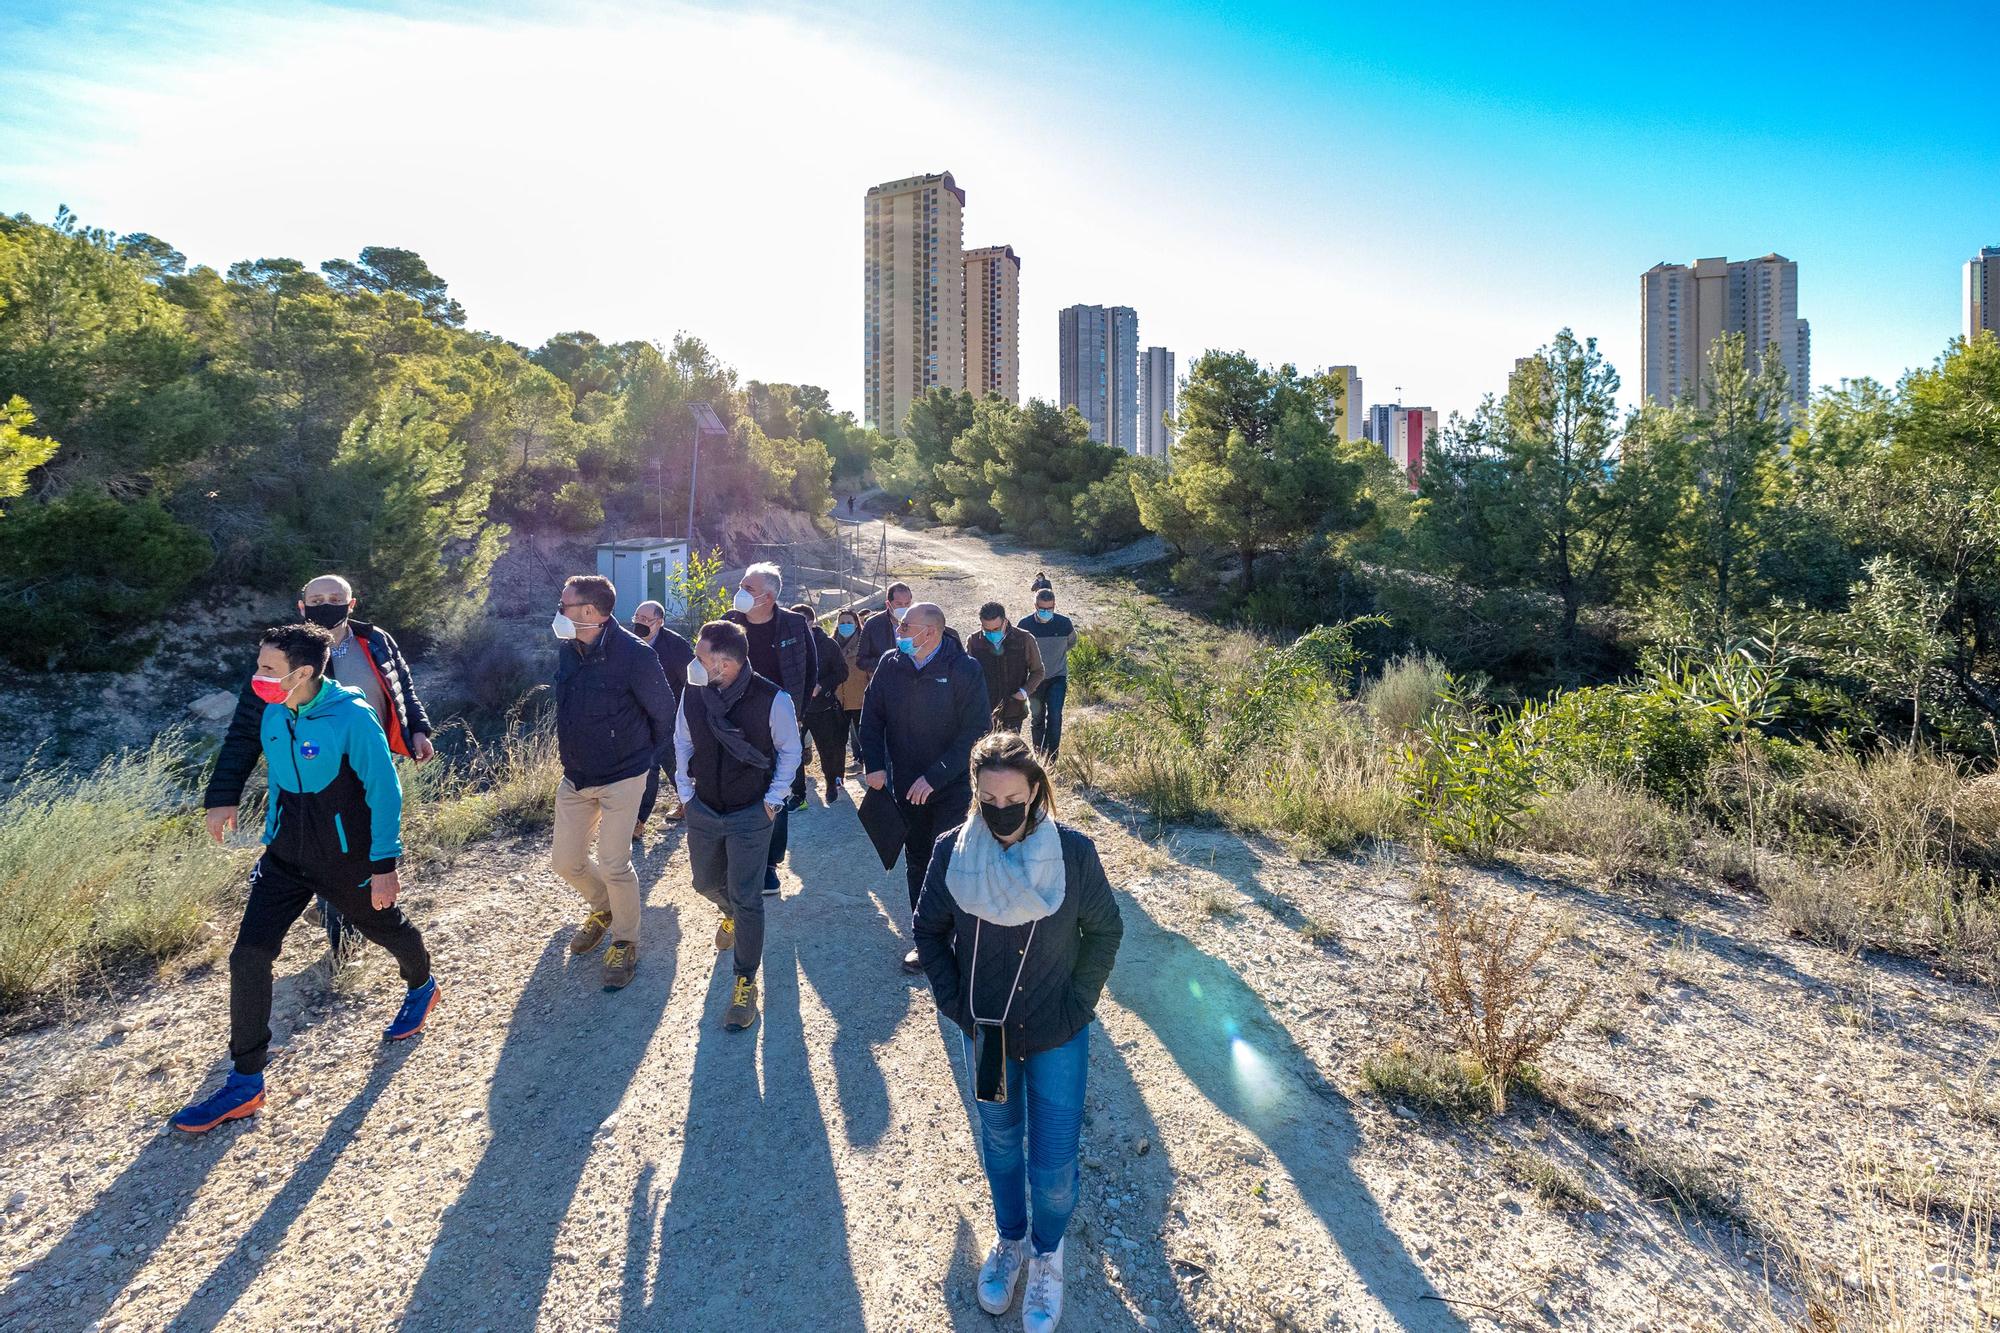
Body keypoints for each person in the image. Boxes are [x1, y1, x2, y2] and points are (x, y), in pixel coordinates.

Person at [173, 623, 439, 1132]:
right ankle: (246, 1081)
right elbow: (252, 759)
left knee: (383, 927)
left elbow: (386, 793)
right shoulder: (274, 709)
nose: (257, 677)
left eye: (268, 669)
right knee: (249, 955)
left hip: (346, 857)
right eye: (258, 665)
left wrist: (384, 867)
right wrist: (228, 803)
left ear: (304, 673)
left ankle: (422, 984)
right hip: (284, 856)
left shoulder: (351, 717)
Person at [914, 731, 1123, 1329]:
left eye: (1014, 798)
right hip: (988, 1036)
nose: (1001, 812)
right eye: (988, 799)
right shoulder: (953, 851)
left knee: (1054, 1164)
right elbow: (928, 931)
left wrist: (1077, 1006)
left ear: (1035, 792)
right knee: (1001, 1142)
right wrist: (957, 1005)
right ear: (976, 795)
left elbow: (1106, 932)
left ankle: (1048, 1253)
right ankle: (1009, 1241)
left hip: (1058, 1034)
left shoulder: (1074, 855)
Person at [203, 574, 436, 967]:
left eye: (334, 598)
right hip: (311, 776)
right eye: (316, 598)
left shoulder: (375, 640)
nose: (324, 604)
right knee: (331, 854)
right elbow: (244, 729)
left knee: (360, 855)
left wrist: (418, 729)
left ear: (351, 604)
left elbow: (403, 686)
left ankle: (349, 918)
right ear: (301, 606)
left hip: (371, 764)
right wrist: (224, 794)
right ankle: (342, 939)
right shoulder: (284, 656)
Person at [551, 574, 677, 990]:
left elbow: (663, 712)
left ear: (588, 612)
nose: (559, 612)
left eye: (564, 605)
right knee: (565, 862)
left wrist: (643, 764)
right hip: (576, 776)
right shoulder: (569, 651)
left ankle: (625, 941)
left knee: (613, 861)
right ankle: (604, 907)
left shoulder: (635, 655)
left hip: (624, 774)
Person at [674, 620, 801, 1031]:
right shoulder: (693, 691)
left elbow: (790, 751)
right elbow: (682, 740)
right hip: (704, 809)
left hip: (751, 813)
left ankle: (745, 981)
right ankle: (730, 914)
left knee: (748, 898)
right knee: (704, 883)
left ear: (724, 665)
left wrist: (772, 801)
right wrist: (685, 793)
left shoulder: (773, 698)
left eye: (700, 655)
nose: (693, 660)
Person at [857, 602, 988, 971]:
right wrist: (876, 765)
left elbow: (976, 731)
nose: (898, 633)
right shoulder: (890, 664)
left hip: (952, 785)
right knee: (917, 860)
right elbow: (872, 718)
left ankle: (960, 936)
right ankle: (927, 940)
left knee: (950, 858)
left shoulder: (964, 669)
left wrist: (935, 777)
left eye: (904, 627)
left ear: (929, 632)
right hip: (904, 784)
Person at [725, 563, 817, 893]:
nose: (740, 593)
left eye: (747, 588)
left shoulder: (792, 623)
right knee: (735, 787)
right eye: (741, 586)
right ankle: (738, 856)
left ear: (768, 596)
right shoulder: (728, 622)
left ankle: (768, 864)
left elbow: (811, 670)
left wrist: (798, 715)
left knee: (777, 789)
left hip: (780, 722)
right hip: (734, 721)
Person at [631, 599, 695, 835]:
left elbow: (691, 683)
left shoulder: (675, 646)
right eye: (637, 618)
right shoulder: (630, 642)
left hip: (671, 714)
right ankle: (687, 802)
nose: (640, 623)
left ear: (659, 622)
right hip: (640, 716)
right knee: (660, 762)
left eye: (646, 620)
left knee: (658, 763)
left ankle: (638, 821)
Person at [793, 602, 852, 803]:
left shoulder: (827, 644)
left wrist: (822, 686)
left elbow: (842, 672)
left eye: (803, 622)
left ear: (812, 622)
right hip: (793, 709)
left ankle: (831, 783)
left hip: (822, 707)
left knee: (828, 749)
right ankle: (798, 792)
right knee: (792, 751)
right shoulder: (787, 644)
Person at [968, 601, 1046, 736]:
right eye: (986, 630)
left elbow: (1038, 671)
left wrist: (1024, 692)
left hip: (1013, 711)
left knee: (1009, 754)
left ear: (1005, 621)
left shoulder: (1024, 638)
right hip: (984, 713)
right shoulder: (974, 641)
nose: (991, 633)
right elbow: (968, 675)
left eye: (996, 629)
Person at [1019, 587, 1078, 758]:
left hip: (1057, 678)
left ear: (1054, 606)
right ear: (1035, 606)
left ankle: (1052, 758)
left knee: (1055, 717)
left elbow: (1071, 643)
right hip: (1035, 679)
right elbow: (1020, 650)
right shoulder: (1025, 626)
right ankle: (1039, 755)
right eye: (1042, 608)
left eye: (1049, 608)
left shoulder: (1064, 623)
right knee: (1037, 719)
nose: (1046, 612)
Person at [831, 607, 870, 775]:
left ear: (856, 624)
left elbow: (869, 671)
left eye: (849, 622)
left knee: (860, 733)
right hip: (839, 697)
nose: (845, 625)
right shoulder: (831, 644)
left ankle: (861, 761)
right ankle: (837, 771)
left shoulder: (864, 644)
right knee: (838, 736)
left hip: (860, 696)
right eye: (842, 623)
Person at [855, 581, 915, 680]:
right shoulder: (872, 624)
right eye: (899, 604)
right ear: (888, 604)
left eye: (907, 603)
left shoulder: (919, 622)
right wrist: (889, 663)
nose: (904, 608)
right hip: (884, 683)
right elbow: (861, 661)